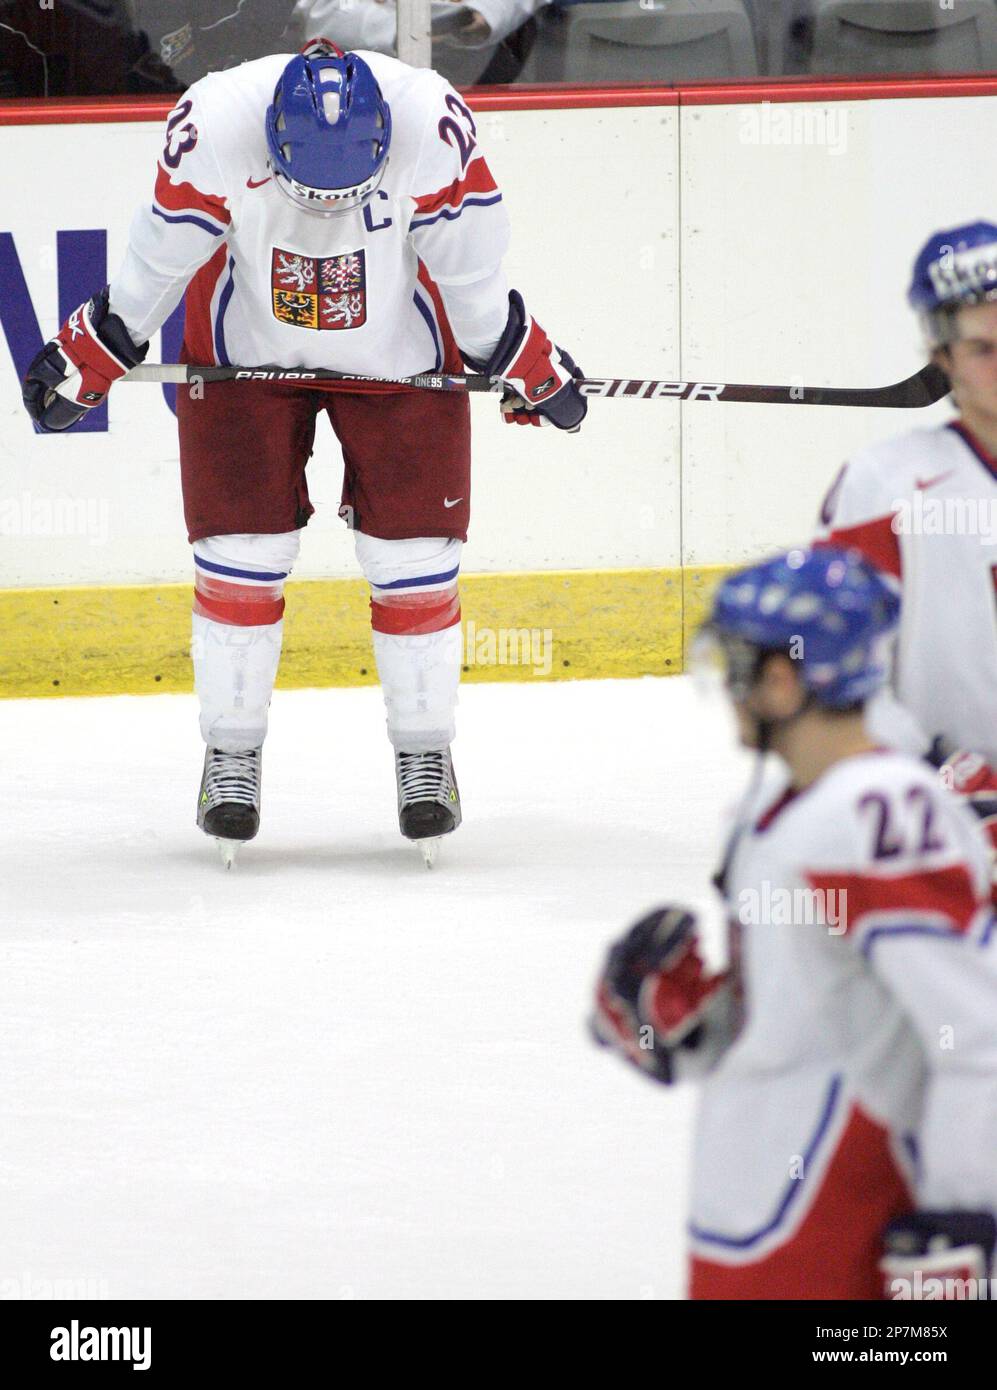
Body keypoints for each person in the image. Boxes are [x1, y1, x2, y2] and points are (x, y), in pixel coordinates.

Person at [21, 37, 585, 866]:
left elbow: (472, 286)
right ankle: (233, 754)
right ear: (275, 144)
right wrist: (95, 349)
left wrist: (523, 361)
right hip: (243, 339)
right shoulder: (215, 122)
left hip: (398, 343)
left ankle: (424, 751)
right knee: (240, 552)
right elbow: (153, 270)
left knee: (415, 555)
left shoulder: (431, 123)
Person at [592, 547, 997, 1299]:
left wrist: (962, 1219)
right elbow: (806, 1012)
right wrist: (685, 1027)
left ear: (782, 680)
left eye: (737, 666)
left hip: (839, 1224)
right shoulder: (777, 810)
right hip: (750, 1211)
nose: (726, 688)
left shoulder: (881, 813)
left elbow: (974, 1033)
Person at [816, 220, 997, 891]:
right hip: (933, 835)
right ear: (942, 358)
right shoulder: (885, 485)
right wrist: (941, 775)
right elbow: (834, 673)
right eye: (981, 347)